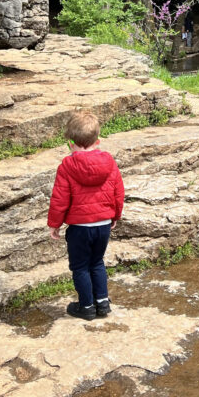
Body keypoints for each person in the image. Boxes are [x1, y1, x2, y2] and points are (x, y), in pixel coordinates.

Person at [47, 111, 125, 320]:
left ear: (71, 143)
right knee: (97, 262)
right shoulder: (109, 162)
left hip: (80, 228)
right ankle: (102, 303)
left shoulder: (67, 167)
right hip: (103, 225)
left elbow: (60, 198)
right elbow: (118, 191)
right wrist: (115, 216)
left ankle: (87, 307)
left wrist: (55, 224)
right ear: (97, 141)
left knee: (80, 267)